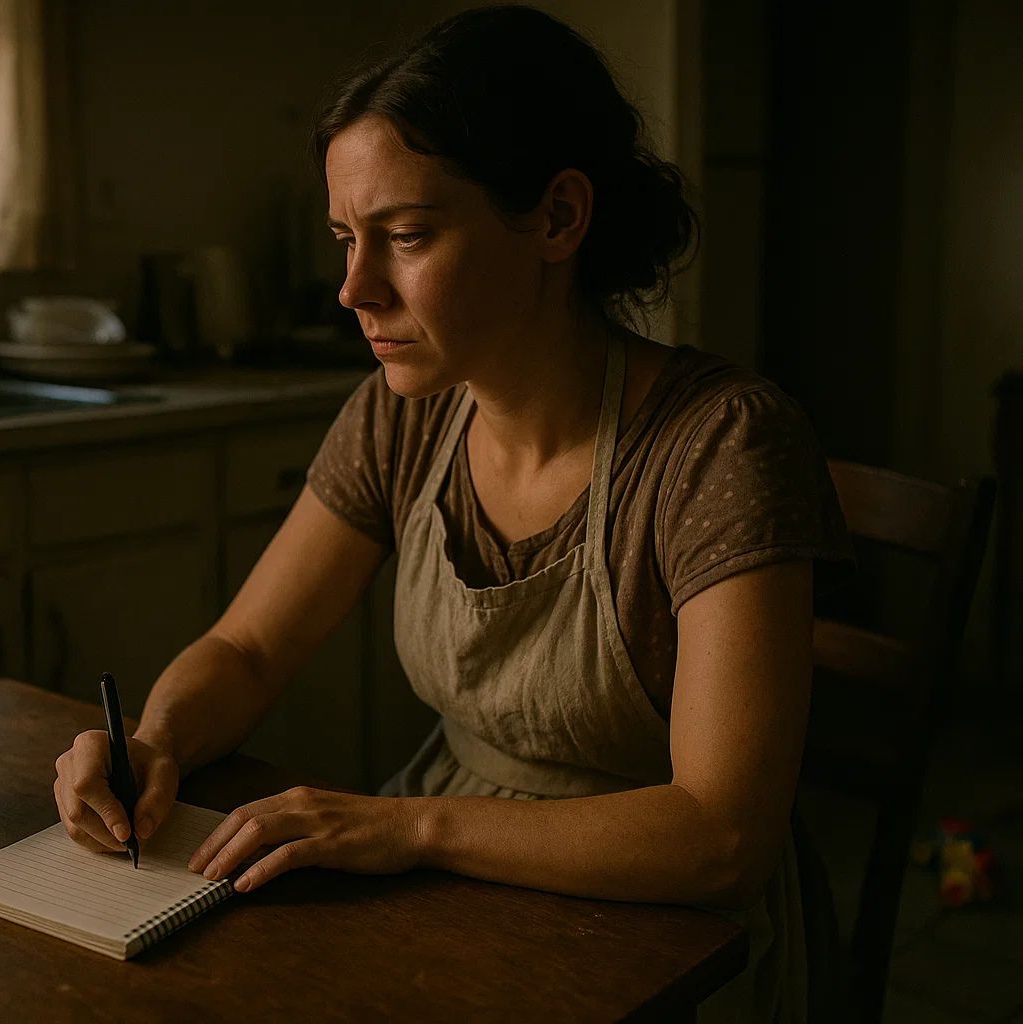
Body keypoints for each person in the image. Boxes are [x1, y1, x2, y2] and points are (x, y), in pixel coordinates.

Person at [53, 6, 852, 1020]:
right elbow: (252, 646)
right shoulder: (404, 418)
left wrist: (415, 829)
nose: (353, 289)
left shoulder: (723, 444)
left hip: (675, 939)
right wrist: (158, 740)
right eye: (347, 239)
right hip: (448, 891)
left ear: (558, 218)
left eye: (407, 236)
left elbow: (720, 835)